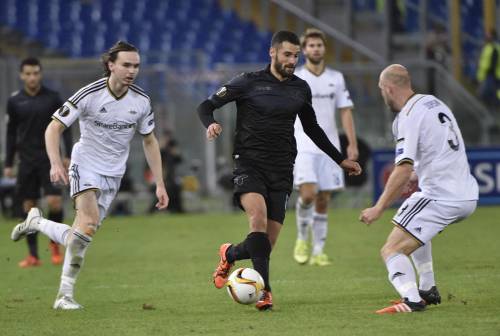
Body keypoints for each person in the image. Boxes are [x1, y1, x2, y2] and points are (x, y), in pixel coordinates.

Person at [197, 31, 361, 310]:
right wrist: (210, 123)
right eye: (287, 54)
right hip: (249, 163)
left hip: (282, 167)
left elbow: (312, 128)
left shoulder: (300, 88)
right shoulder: (247, 82)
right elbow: (206, 106)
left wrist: (339, 159)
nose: (292, 60)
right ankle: (266, 293)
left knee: (265, 244)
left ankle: (230, 253)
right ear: (272, 52)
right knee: (257, 221)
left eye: (295, 55)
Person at [10, 41, 169, 310]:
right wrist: (55, 163)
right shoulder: (89, 94)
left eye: (136, 66)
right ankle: (64, 297)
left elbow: (150, 141)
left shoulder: (141, 101)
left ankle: (37, 222)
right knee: (89, 221)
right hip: (85, 165)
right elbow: (53, 129)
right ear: (111, 65)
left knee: (81, 235)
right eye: (126, 65)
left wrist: (160, 184)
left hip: (113, 175)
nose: (132, 71)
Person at [359, 64, 478, 314]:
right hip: (466, 193)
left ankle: (412, 300)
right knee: (412, 223)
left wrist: (378, 208)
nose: (382, 95)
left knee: (391, 250)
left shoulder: (409, 116)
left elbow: (401, 168)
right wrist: (417, 174)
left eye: (382, 90)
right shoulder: (434, 103)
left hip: (441, 196)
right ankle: (427, 287)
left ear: (389, 89)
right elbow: (437, 150)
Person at [293, 28, 358, 266]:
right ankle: (302, 238)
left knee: (323, 199)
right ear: (304, 50)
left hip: (330, 147)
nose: (315, 49)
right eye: (311, 46)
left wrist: (351, 144)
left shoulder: (336, 78)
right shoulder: (296, 78)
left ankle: (318, 251)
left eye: (319, 45)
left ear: (324, 49)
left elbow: (345, 111)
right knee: (308, 194)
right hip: (303, 145)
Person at [5, 57, 72, 268]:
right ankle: (33, 255)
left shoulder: (53, 98)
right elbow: (10, 134)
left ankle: (55, 245)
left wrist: (67, 154)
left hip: (50, 159)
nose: (32, 77)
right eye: (28, 73)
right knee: (29, 206)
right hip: (26, 161)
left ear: (40, 74)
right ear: (21, 75)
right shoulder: (14, 101)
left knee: (55, 202)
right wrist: (8, 163)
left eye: (35, 73)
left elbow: (66, 127)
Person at [476, 29, 500, 108]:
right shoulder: (487, 47)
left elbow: (493, 63)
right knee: (485, 95)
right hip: (485, 76)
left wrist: (490, 73)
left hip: (491, 76)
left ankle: (491, 111)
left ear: (493, 36)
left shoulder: (494, 48)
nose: (486, 36)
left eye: (488, 34)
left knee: (486, 95)